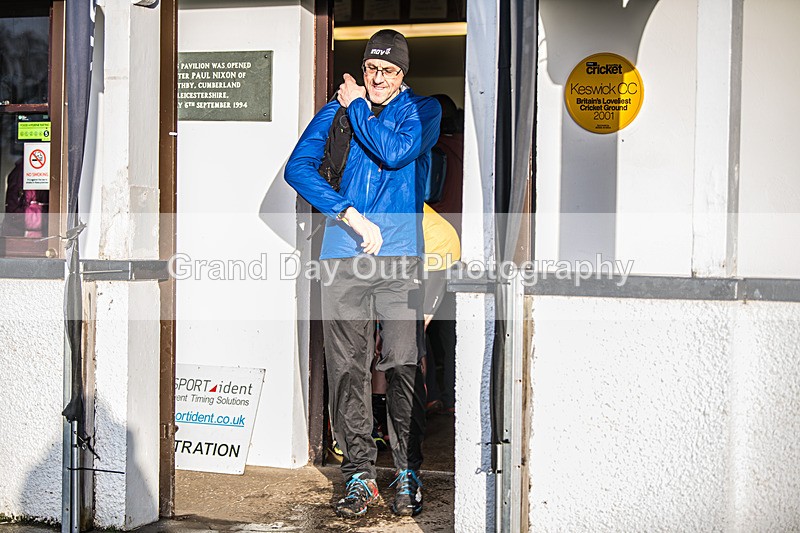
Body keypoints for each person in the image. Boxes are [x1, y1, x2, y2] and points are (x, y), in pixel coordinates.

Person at [284, 29, 441, 518]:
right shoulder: (335, 113)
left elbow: (396, 152)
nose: (376, 78)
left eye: (388, 71)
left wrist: (355, 107)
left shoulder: (422, 111)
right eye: (371, 69)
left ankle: (407, 469)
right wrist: (346, 212)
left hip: (399, 259)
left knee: (401, 360)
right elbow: (298, 168)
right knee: (347, 368)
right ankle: (359, 475)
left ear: (403, 74)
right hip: (341, 258)